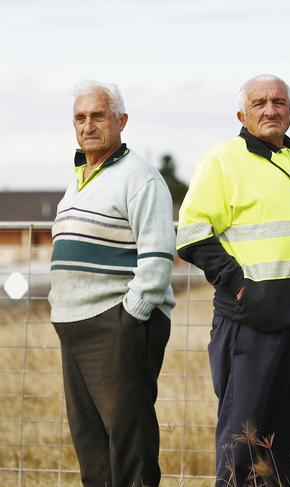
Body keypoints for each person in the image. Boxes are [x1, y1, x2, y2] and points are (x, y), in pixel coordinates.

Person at [176, 74, 290, 486]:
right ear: (241, 114)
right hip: (250, 324)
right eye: (260, 102)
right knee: (242, 448)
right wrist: (240, 284)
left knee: (287, 454)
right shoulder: (223, 160)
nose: (270, 109)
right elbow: (192, 232)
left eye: (279, 102)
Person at [48, 80, 176, 487]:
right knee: (91, 445)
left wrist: (130, 317)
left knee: (129, 444)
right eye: (80, 118)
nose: (88, 125)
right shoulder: (79, 178)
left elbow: (157, 257)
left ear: (121, 121)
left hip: (116, 325)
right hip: (75, 326)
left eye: (98, 116)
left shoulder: (140, 176)